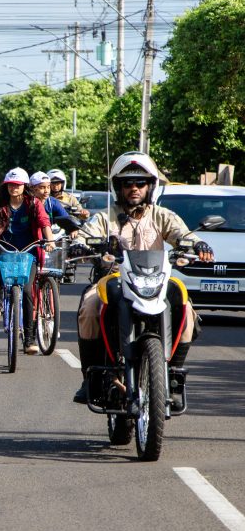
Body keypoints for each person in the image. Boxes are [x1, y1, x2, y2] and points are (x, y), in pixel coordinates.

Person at [71, 151, 214, 404]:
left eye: (140, 183)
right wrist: (80, 244)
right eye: (128, 183)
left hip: (156, 279)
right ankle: (91, 379)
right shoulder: (107, 216)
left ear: (150, 186)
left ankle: (173, 377)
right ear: (119, 187)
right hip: (114, 278)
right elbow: (85, 233)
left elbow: (183, 234)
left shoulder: (161, 215)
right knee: (90, 307)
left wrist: (198, 244)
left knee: (187, 310)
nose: (134, 188)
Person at [0, 167, 55, 355]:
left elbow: (44, 222)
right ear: (6, 186)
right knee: (0, 258)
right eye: (10, 185)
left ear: (24, 186)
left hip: (29, 251)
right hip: (5, 247)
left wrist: (49, 240)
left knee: (27, 291)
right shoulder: (0, 203)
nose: (14, 188)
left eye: (17, 185)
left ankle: (29, 339)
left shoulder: (34, 203)